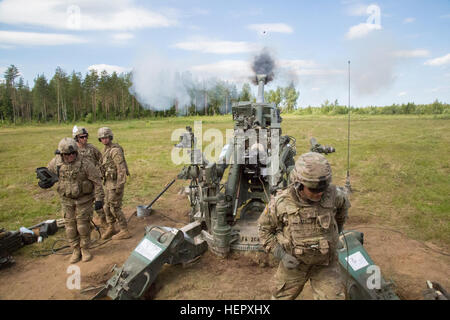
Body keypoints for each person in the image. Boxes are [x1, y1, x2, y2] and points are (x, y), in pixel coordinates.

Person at [258, 152, 350, 300]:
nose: (319, 193)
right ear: (299, 184)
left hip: (325, 264)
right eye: (313, 189)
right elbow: (264, 231)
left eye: (323, 188)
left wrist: (335, 234)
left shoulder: (335, 195)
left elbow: (341, 212)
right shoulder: (280, 203)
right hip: (294, 265)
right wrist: (281, 255)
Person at [47, 138, 104, 263]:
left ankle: (85, 249)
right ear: (62, 154)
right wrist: (45, 181)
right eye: (68, 154)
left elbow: (97, 182)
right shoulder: (56, 163)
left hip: (84, 200)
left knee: (83, 226)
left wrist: (99, 199)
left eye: (73, 153)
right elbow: (48, 174)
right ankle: (75, 249)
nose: (71, 156)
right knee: (70, 227)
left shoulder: (85, 163)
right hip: (67, 200)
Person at [97, 127, 131, 240]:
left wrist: (119, 186)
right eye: (102, 138)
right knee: (106, 207)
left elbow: (121, 169)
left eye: (106, 137)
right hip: (108, 183)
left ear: (110, 137)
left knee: (115, 207)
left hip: (115, 183)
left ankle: (124, 230)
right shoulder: (105, 150)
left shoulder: (115, 150)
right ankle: (111, 227)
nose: (104, 140)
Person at [73, 126, 107, 228]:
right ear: (76, 138)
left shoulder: (92, 149)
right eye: (82, 137)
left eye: (86, 136)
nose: (84, 139)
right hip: (80, 184)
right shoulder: (73, 151)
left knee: (99, 203)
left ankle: (104, 221)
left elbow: (102, 160)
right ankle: (86, 224)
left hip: (93, 181)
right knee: (82, 207)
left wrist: (101, 173)